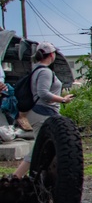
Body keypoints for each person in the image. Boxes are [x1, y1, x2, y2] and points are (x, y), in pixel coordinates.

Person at [12, 42, 74, 178]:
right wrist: (63, 99)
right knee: (39, 147)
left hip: (42, 111)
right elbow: (43, 93)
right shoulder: (45, 71)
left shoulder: (37, 69)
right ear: (52, 55)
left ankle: (42, 176)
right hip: (42, 112)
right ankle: (16, 177)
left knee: (47, 146)